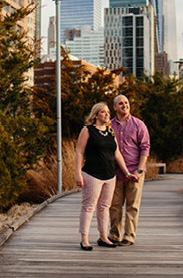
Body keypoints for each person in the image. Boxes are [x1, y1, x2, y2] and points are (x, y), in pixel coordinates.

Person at [75, 102, 138, 251]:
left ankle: (104, 237)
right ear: (96, 115)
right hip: (92, 174)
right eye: (103, 112)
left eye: (108, 112)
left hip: (110, 175)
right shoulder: (87, 130)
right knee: (89, 206)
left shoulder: (110, 132)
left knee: (104, 207)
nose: (106, 115)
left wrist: (127, 172)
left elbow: (117, 154)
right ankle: (84, 239)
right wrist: (78, 173)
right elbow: (79, 152)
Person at [108, 93, 150, 246]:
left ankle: (129, 236)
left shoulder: (139, 125)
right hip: (115, 172)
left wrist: (139, 170)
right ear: (114, 107)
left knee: (132, 206)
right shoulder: (109, 126)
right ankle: (114, 235)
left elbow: (145, 148)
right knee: (114, 205)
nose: (124, 105)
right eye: (120, 103)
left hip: (135, 170)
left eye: (126, 102)